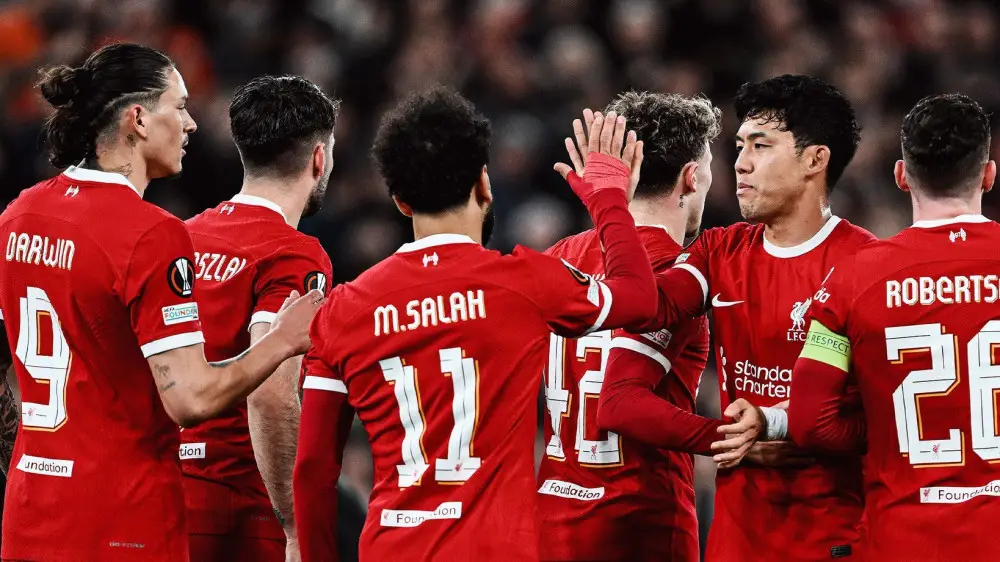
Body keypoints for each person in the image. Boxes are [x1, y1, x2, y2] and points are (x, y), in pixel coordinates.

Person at [292, 87, 658, 561]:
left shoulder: (341, 311)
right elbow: (640, 298)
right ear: (484, 184)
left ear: (401, 201)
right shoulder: (526, 283)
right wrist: (609, 200)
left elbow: (313, 468)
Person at [0, 43, 321, 561]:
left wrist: (21, 455)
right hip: (123, 521)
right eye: (180, 106)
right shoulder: (151, 233)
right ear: (139, 119)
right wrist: (282, 340)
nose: (190, 124)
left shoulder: (19, 216)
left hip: (29, 512)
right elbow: (190, 400)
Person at [617, 75, 875, 560]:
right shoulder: (719, 251)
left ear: (815, 160)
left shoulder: (867, 264)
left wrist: (780, 424)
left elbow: (884, 410)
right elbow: (643, 306)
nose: (740, 163)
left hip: (834, 534)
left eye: (761, 145)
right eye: (739, 147)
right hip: (737, 538)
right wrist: (610, 202)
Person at [780, 93, 1000, 560]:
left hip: (904, 539)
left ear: (901, 175)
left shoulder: (852, 279)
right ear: (988, 174)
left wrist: (886, 424)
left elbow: (808, 422)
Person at [536, 92, 721, 562]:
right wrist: (731, 439)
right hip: (640, 528)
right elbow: (621, 405)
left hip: (551, 522)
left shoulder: (558, 257)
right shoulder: (679, 274)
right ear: (691, 177)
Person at [180, 75, 337, 562]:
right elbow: (270, 393)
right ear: (319, 158)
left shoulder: (181, 236)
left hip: (163, 493)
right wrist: (293, 524)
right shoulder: (293, 253)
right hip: (240, 508)